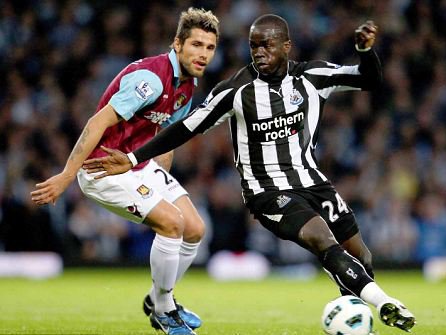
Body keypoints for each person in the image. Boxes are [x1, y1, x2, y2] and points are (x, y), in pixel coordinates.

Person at [82, 14, 416, 332]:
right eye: (254, 45)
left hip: (314, 184)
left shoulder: (313, 77)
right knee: (322, 239)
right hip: (267, 192)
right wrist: (133, 157)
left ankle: (356, 320)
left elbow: (369, 78)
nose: (259, 51)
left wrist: (364, 51)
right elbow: (185, 127)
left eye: (267, 45)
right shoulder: (236, 91)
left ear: (287, 46)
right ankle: (385, 302)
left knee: (361, 256)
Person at [31, 7, 220, 335]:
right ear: (177, 44)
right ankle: (164, 311)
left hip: (139, 165)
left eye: (210, 47)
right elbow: (97, 122)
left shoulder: (187, 86)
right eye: (196, 45)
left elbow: (167, 134)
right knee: (172, 224)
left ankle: (157, 299)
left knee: (194, 228)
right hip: (104, 169)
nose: (203, 54)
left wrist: (163, 175)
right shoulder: (150, 78)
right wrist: (65, 176)